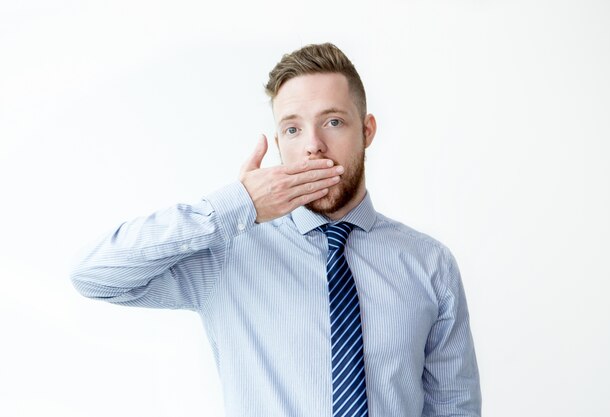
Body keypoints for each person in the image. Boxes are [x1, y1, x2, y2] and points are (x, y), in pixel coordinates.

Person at [70, 42, 482, 417]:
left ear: (367, 130)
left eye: (334, 122)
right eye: (293, 128)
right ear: (278, 142)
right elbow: (95, 275)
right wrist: (235, 206)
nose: (313, 146)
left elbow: (455, 407)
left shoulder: (429, 263)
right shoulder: (229, 252)